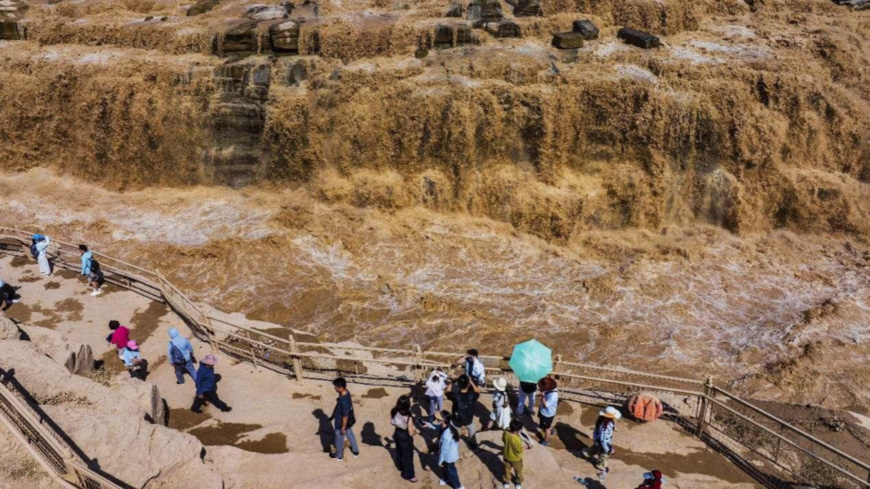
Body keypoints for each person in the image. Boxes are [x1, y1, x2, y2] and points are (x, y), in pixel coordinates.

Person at [582, 406, 621, 480]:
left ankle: (586, 453)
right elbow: (604, 438)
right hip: (603, 442)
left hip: (597, 439)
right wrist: (607, 448)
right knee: (604, 455)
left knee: (595, 448)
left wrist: (613, 428)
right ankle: (601, 466)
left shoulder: (601, 420)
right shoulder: (607, 425)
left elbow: (598, 431)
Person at [390, 395, 418, 482]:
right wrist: (417, 432)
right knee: (408, 456)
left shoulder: (394, 411)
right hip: (405, 437)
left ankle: (400, 466)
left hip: (397, 433)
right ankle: (409, 475)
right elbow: (410, 433)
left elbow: (392, 422)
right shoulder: (408, 417)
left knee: (399, 451)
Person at [330, 377, 359, 461]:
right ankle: (355, 451)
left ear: (341, 388)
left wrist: (342, 427)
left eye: (336, 386)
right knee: (350, 435)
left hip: (341, 423)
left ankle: (339, 456)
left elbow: (345, 416)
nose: (334, 388)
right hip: (348, 422)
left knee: (339, 440)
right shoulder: (346, 392)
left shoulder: (344, 401)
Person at [451, 374, 480, 449]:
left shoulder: (455, 395)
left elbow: (447, 391)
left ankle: (454, 440)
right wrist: (471, 382)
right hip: (468, 419)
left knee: (455, 430)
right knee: (472, 430)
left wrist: (452, 382)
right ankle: (473, 443)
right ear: (468, 384)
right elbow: (477, 391)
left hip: (457, 419)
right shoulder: (472, 396)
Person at [437, 411, 464, 489]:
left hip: (448, 456)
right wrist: (429, 425)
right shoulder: (447, 425)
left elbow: (443, 450)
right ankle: (446, 478)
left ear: (443, 420)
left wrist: (440, 461)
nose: (436, 418)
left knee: (451, 470)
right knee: (445, 467)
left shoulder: (446, 434)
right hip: (448, 454)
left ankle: (458, 486)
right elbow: (438, 427)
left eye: (438, 418)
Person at [502, 419, 531, 489]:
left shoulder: (505, 433)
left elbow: (503, 440)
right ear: (516, 431)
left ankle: (506, 481)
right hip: (516, 459)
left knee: (506, 470)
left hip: (506, 456)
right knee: (518, 470)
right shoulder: (517, 440)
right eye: (520, 429)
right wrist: (527, 446)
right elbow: (519, 451)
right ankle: (518, 482)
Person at [537, 377, 558, 446]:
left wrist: (542, 397)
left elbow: (546, 405)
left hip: (547, 414)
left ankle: (546, 440)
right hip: (543, 411)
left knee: (546, 428)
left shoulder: (553, 396)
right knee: (544, 425)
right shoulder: (551, 388)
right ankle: (550, 429)